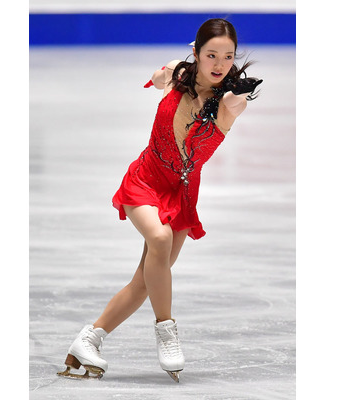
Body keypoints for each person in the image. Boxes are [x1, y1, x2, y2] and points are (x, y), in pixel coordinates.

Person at [58, 18, 262, 382]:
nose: (220, 64)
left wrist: (229, 90)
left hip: (181, 192)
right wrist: (171, 71)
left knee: (146, 280)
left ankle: (87, 341)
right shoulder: (175, 77)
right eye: (211, 54)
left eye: (228, 57)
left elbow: (230, 98)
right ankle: (166, 331)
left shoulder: (231, 103)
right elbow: (158, 76)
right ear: (196, 52)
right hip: (146, 179)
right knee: (160, 239)